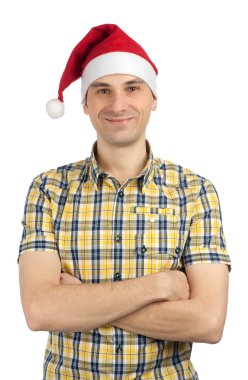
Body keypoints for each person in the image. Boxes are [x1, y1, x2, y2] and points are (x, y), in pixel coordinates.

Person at [18, 24, 231, 380]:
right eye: (103, 90)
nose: (118, 104)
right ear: (85, 103)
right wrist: (159, 287)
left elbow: (208, 322)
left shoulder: (194, 191)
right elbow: (39, 310)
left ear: (153, 98)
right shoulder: (48, 190)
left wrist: (80, 301)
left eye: (132, 88)